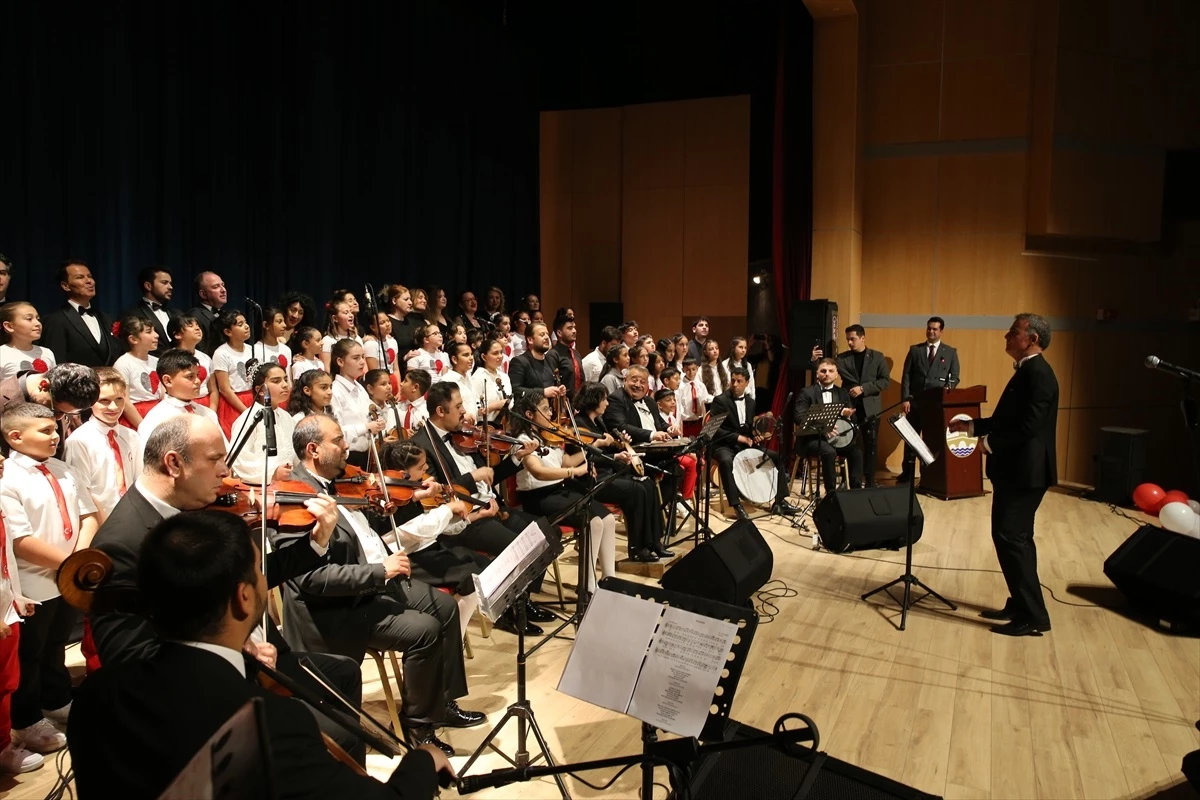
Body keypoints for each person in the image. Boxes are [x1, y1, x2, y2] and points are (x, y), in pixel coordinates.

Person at [70, 510, 452, 798]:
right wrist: (423, 762)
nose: (266, 579)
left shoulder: (96, 694)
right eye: (259, 570)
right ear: (243, 598)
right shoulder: (271, 723)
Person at [86, 415, 368, 759]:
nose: (226, 472)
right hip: (196, 691)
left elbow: (247, 577)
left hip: (254, 657)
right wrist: (235, 652)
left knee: (344, 673)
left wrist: (315, 543)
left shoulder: (193, 507)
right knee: (343, 738)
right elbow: (131, 658)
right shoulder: (123, 544)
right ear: (173, 464)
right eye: (214, 460)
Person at [279, 414, 486, 753]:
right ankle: (417, 728)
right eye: (338, 441)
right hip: (343, 604)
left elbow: (362, 518)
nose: (347, 445)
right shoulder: (293, 499)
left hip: (378, 580)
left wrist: (412, 496)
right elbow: (312, 578)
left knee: (446, 608)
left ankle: (440, 703)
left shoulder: (340, 480)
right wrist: (381, 571)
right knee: (425, 630)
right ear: (313, 449)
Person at [948, 314, 1058, 637]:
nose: (1006, 336)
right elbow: (1005, 418)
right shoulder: (1027, 371)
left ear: (1032, 339)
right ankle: (1022, 603)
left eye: (1014, 332)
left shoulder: (1039, 374)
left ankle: (1034, 615)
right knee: (1012, 538)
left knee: (1012, 538)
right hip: (1017, 471)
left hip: (1026, 472)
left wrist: (988, 443)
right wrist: (971, 427)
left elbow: (1028, 427)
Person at [408, 383, 553, 623]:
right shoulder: (422, 445)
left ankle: (523, 601)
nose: (464, 412)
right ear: (440, 411)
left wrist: (516, 458)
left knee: (542, 534)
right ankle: (509, 614)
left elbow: (490, 474)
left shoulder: (464, 435)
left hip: (490, 508)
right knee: (515, 548)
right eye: (458, 406)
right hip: (463, 519)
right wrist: (472, 478)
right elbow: (436, 493)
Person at [2, 403, 99, 754]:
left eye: (55, 428)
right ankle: (25, 719)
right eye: (45, 431)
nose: (55, 435)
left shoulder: (62, 468)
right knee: (30, 653)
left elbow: (89, 514)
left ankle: (55, 697)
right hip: (32, 582)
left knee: (57, 642)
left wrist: (80, 559)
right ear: (15, 436)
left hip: (67, 578)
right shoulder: (8, 479)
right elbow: (20, 541)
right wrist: (72, 562)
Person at [510, 393, 618, 579]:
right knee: (594, 522)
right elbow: (538, 471)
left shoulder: (548, 436)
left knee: (607, 519)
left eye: (549, 408)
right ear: (529, 414)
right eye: (545, 409)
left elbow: (566, 461)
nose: (550, 414)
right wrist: (574, 472)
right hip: (538, 498)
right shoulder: (523, 441)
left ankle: (610, 578)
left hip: (558, 491)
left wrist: (595, 445)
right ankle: (588, 585)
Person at [574, 382, 671, 561]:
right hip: (593, 479)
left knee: (648, 484)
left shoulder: (599, 421)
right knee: (636, 491)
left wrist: (619, 444)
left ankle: (654, 542)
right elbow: (586, 459)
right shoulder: (579, 424)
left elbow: (608, 450)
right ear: (595, 401)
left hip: (610, 473)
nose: (607, 403)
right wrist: (614, 456)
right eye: (604, 399)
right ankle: (637, 547)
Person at [0, 449, 42, 775]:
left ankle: (3, 746)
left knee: (6, 683)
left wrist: (15, 595)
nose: (1, 460)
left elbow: (5, 560)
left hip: (6, 612)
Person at [709, 368, 796, 520]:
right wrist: (738, 438)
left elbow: (748, 428)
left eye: (739, 381)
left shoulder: (750, 402)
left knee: (776, 456)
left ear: (747, 383)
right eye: (733, 380)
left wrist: (755, 436)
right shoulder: (720, 400)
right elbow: (715, 431)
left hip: (744, 444)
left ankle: (780, 501)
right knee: (725, 460)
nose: (735, 384)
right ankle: (736, 505)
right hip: (724, 444)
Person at [812, 324, 890, 488]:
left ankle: (869, 480)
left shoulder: (877, 357)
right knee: (849, 443)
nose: (850, 343)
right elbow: (825, 371)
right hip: (848, 407)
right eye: (848, 339)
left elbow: (884, 381)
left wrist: (863, 388)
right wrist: (815, 360)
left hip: (871, 408)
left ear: (863, 338)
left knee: (871, 444)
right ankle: (850, 480)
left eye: (853, 339)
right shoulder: (842, 358)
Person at [62, 367, 143, 520]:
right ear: (91, 401)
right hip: (100, 520)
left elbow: (139, 479)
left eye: (119, 399)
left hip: (133, 517)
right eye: (104, 401)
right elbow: (81, 493)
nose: (114, 407)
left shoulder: (132, 436)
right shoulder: (79, 441)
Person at [899, 316, 961, 483]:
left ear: (941, 331)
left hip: (935, 405)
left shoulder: (950, 352)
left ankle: (930, 476)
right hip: (915, 403)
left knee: (931, 441)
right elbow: (906, 376)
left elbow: (955, 377)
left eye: (935, 329)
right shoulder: (915, 350)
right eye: (929, 328)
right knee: (911, 439)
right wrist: (905, 399)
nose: (931, 331)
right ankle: (907, 475)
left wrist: (949, 388)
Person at [793, 358, 862, 496]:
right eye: (823, 371)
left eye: (831, 371)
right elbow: (799, 418)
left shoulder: (842, 393)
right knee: (828, 452)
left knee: (856, 452)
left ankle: (855, 493)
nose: (827, 374)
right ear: (817, 373)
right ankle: (831, 494)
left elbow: (852, 420)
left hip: (837, 439)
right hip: (811, 439)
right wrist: (825, 427)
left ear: (836, 374)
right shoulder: (807, 393)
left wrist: (848, 416)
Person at [137, 348, 224, 453]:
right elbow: (148, 461)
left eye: (197, 375)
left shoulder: (207, 413)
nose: (197, 381)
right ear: (168, 380)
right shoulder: (156, 420)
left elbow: (223, 449)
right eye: (190, 376)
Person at [37, 260, 119, 368]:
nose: (89, 281)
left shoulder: (106, 318)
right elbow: (58, 364)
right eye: (80, 277)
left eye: (89, 276)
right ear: (66, 286)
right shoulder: (55, 320)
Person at [230, 363, 297, 484]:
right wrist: (272, 472)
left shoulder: (286, 416)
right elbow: (239, 459)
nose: (285, 385)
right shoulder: (248, 418)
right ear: (260, 390)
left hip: (287, 483)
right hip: (259, 485)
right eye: (276, 381)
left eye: (285, 379)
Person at [329, 339, 386, 467]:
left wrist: (377, 424)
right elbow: (335, 431)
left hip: (365, 455)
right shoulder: (335, 391)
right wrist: (366, 427)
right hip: (347, 457)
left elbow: (368, 417)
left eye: (363, 357)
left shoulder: (360, 388)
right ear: (340, 361)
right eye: (356, 358)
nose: (362, 362)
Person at [212, 309, 255, 438]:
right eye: (240, 324)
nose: (246, 326)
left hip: (252, 397)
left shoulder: (251, 350)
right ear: (228, 332)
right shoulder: (221, 353)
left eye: (245, 322)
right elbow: (224, 389)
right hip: (233, 403)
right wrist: (245, 410)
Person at [112, 314, 161, 428]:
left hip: (157, 413)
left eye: (155, 331)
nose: (156, 335)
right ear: (133, 339)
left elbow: (162, 393)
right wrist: (143, 427)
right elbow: (125, 401)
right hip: (137, 417)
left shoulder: (157, 361)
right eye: (149, 332)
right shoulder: (123, 363)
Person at [508, 321, 568, 403]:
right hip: (529, 412)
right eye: (542, 335)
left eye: (547, 334)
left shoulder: (550, 360)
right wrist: (543, 392)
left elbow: (554, 385)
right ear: (530, 340)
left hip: (550, 412)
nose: (547, 337)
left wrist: (560, 389)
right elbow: (515, 390)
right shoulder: (519, 362)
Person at [0, 302, 56, 384]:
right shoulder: (2, 354)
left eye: (38, 319)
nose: (38, 323)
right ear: (9, 326)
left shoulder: (47, 353)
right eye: (29, 319)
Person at [167, 314, 215, 406]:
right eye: (190, 326)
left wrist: (212, 410)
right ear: (177, 334)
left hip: (206, 405)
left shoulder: (206, 358)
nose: (197, 328)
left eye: (197, 325)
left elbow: (213, 390)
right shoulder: (169, 359)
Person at [125, 267, 174, 357]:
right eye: (164, 283)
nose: (170, 287)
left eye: (170, 283)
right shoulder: (132, 314)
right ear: (148, 286)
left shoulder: (177, 313)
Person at [470, 335, 513, 424]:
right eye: (495, 353)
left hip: (505, 424)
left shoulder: (504, 377)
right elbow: (474, 411)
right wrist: (493, 406)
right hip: (486, 425)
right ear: (484, 357)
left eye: (501, 352)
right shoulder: (477, 377)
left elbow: (511, 403)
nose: (500, 356)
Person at [187, 271, 227, 355]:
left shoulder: (224, 314)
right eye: (216, 287)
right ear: (203, 294)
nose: (223, 290)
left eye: (223, 285)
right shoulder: (195, 316)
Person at [547, 312, 585, 400]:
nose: (574, 331)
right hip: (563, 404)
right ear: (559, 333)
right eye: (569, 328)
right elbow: (552, 384)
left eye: (574, 327)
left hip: (579, 404)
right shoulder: (553, 355)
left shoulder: (576, 353)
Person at [251, 305, 293, 373]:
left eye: (284, 321)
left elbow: (289, 378)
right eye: (279, 322)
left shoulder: (286, 349)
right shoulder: (255, 350)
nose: (284, 325)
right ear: (265, 325)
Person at [393, 369, 431, 434]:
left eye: (405, 381)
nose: (400, 384)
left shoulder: (427, 412)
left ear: (415, 387)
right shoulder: (397, 407)